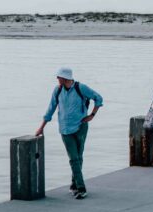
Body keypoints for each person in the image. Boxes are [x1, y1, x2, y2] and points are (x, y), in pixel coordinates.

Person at [36, 67, 103, 199]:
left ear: (65, 78)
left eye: (59, 77)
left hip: (81, 127)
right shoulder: (58, 90)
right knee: (74, 158)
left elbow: (98, 98)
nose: (57, 79)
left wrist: (92, 115)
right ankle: (81, 188)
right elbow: (51, 108)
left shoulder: (81, 88)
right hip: (65, 129)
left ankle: (74, 185)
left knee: (78, 157)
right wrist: (41, 127)